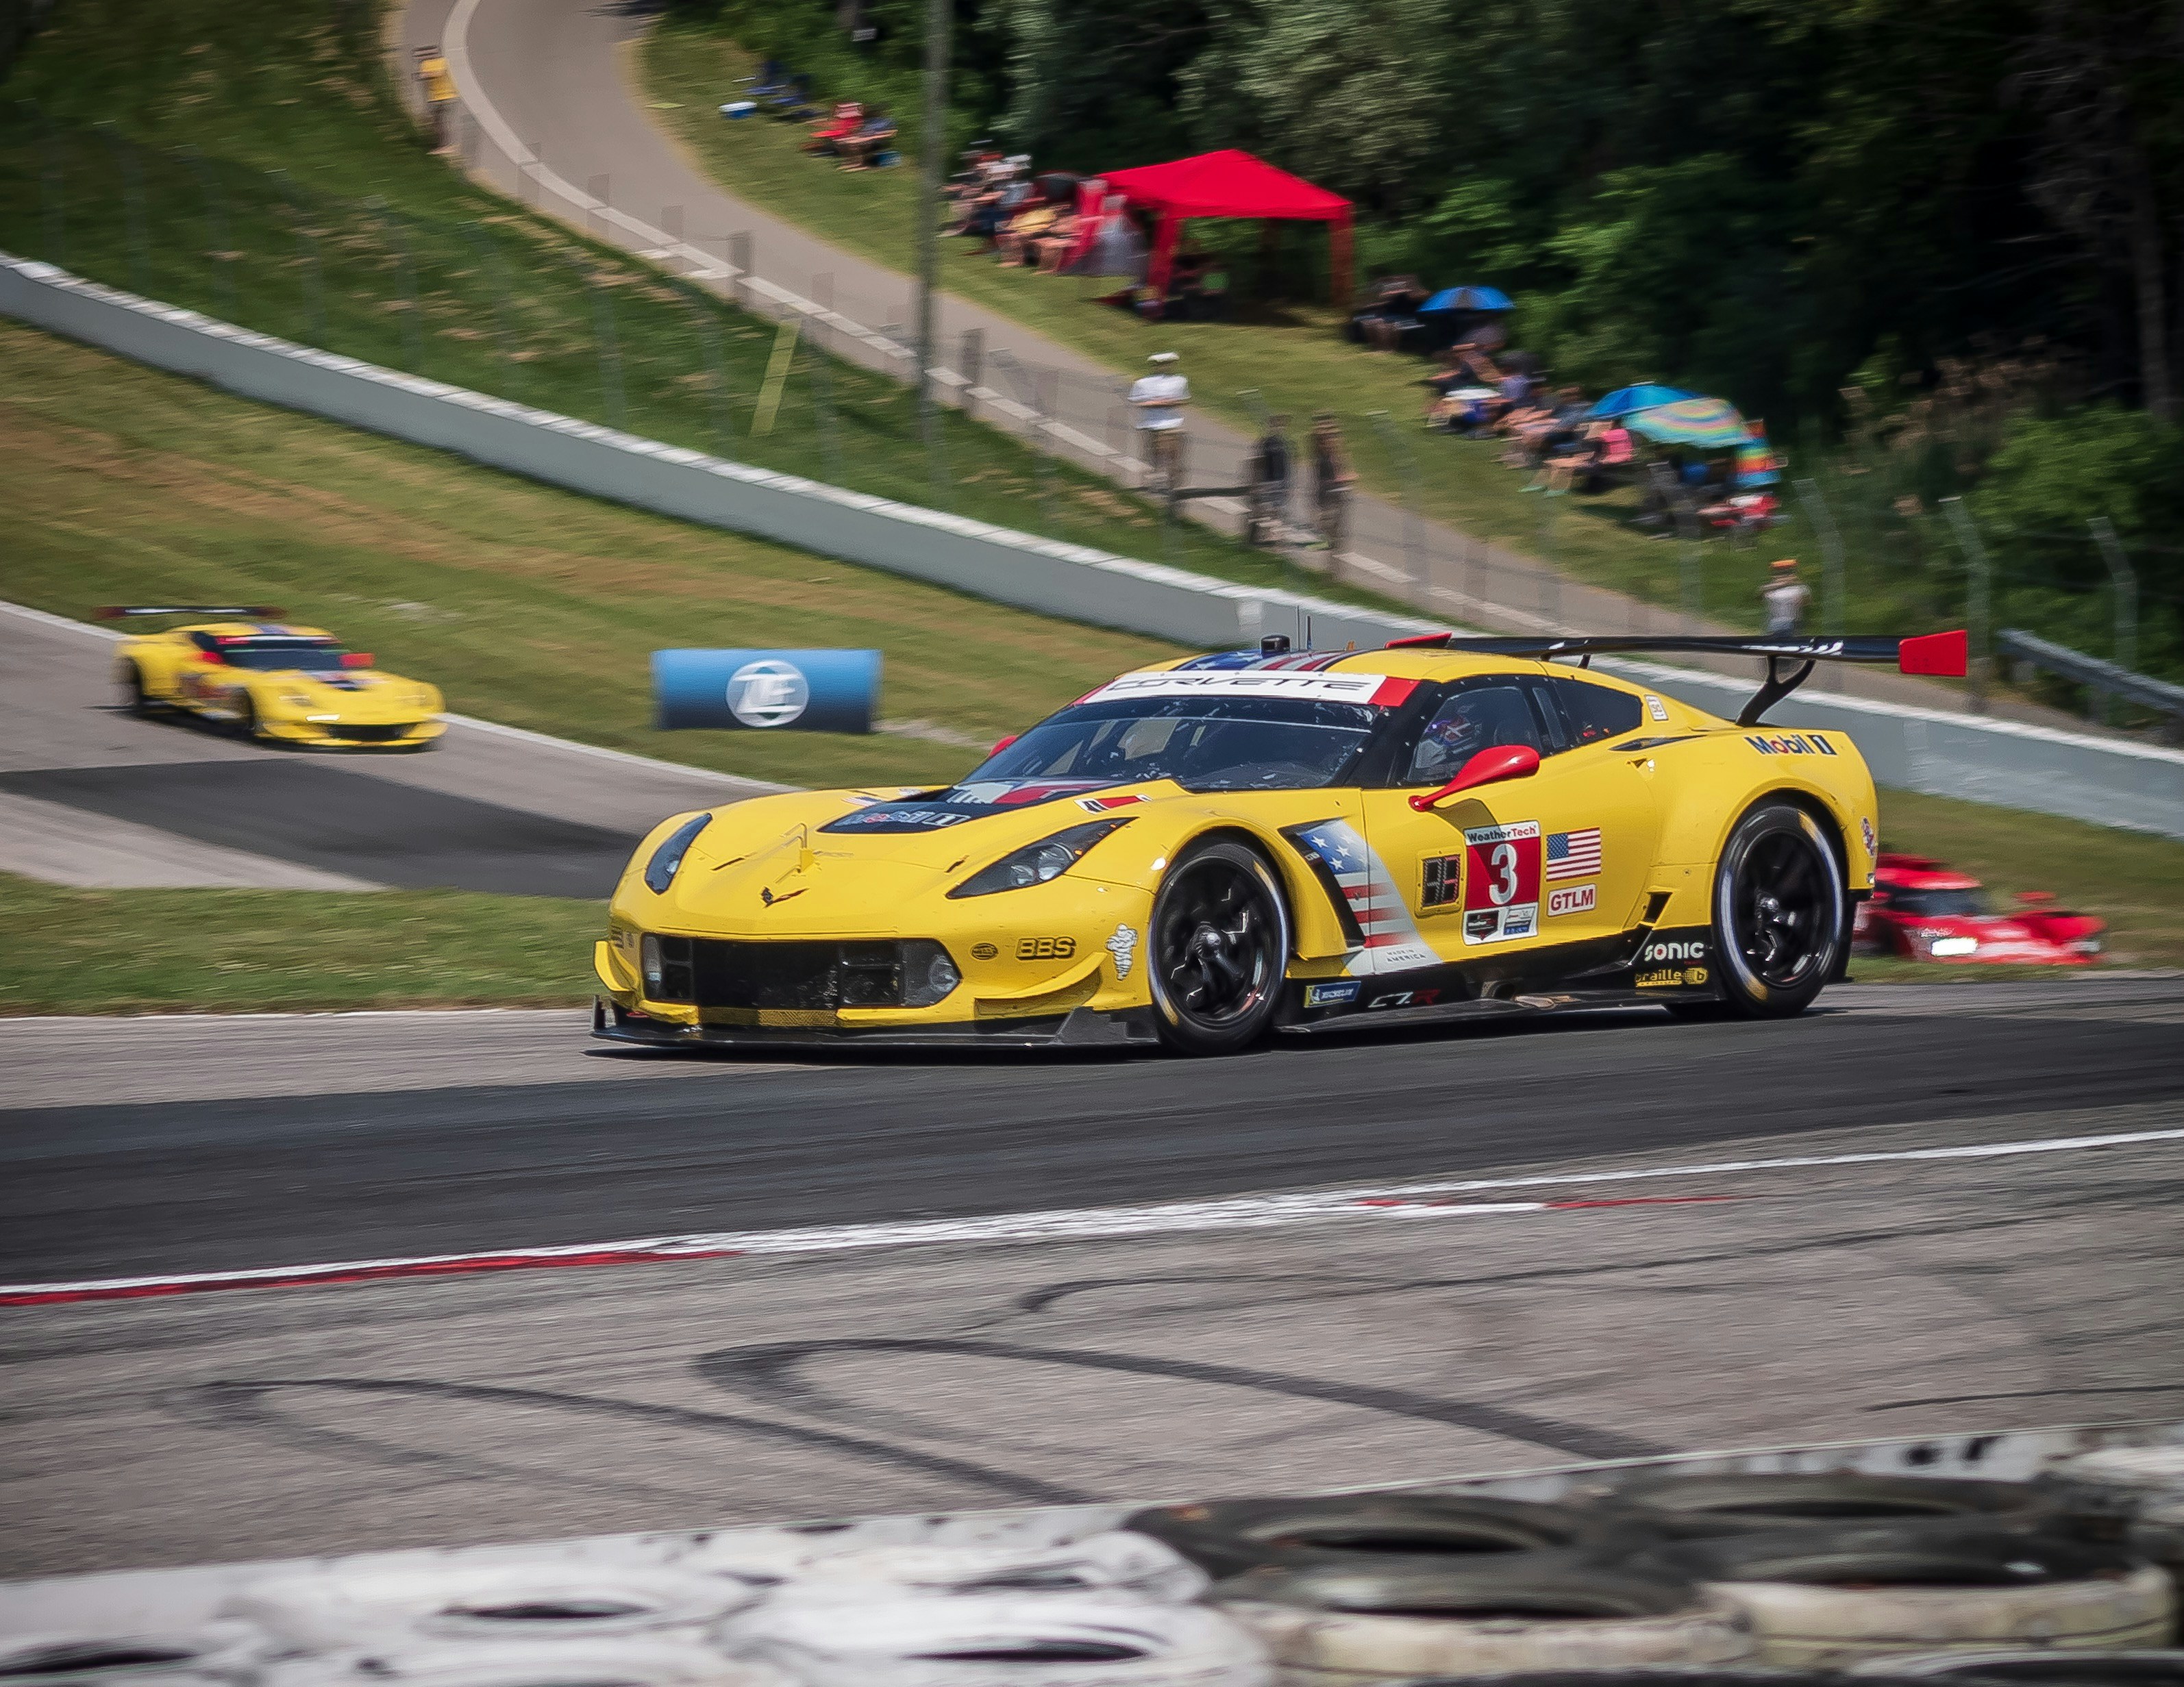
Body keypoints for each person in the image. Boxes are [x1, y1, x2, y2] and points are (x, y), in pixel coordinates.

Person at [1129, 351, 1190, 495]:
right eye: (1161, 364)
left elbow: (1184, 400)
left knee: (1173, 453)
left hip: (1172, 424)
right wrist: (1155, 403)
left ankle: (1172, 482)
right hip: (1152, 424)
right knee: (1154, 454)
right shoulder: (1142, 383)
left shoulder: (1180, 381)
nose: (1165, 367)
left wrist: (1171, 402)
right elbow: (1138, 402)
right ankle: (1153, 479)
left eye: (1168, 364)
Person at [1308, 414, 1354, 555]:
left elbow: (1341, 471)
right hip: (1326, 492)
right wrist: (1346, 478)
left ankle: (1333, 541)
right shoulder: (1323, 454)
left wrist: (1345, 478)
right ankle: (1331, 540)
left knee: (1333, 525)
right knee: (1326, 523)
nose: (1332, 438)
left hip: (1335, 493)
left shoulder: (1335, 455)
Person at [1248, 414, 1293, 548]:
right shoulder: (1266, 443)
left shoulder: (1284, 444)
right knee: (1263, 511)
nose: (1279, 429)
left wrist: (1288, 485)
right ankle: (1257, 538)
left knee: (1277, 512)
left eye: (1281, 426)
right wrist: (1256, 483)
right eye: (1277, 425)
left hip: (1280, 483)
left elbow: (1286, 465)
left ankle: (1274, 541)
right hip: (1267, 482)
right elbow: (1258, 463)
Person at [1761, 558, 1811, 634]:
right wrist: (1785, 583)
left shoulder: (1799, 588)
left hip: (1793, 623)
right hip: (1776, 624)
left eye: (1787, 573)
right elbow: (1762, 593)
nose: (1784, 576)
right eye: (1780, 573)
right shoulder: (1771, 589)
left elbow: (1806, 601)